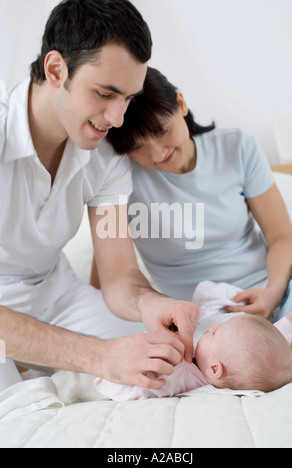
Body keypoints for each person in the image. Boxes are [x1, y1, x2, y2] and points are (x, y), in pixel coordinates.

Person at [0, 1, 200, 394]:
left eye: (127, 98)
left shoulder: (106, 157)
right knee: (17, 412)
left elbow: (119, 274)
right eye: (105, 93)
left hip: (54, 294)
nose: (117, 117)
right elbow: (101, 355)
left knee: (170, 369)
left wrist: (149, 304)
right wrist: (99, 356)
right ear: (56, 70)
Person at [102, 67, 292, 319]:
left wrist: (272, 294)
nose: (157, 154)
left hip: (274, 286)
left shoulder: (237, 147)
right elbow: (111, 270)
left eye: (162, 131)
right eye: (138, 147)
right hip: (201, 312)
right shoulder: (120, 180)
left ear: (181, 104)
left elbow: (282, 236)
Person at [95, 282, 292, 401]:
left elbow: (137, 387)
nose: (212, 328)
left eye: (213, 334)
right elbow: (264, 350)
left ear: (215, 369)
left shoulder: (181, 373)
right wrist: (289, 326)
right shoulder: (237, 360)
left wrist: (107, 372)